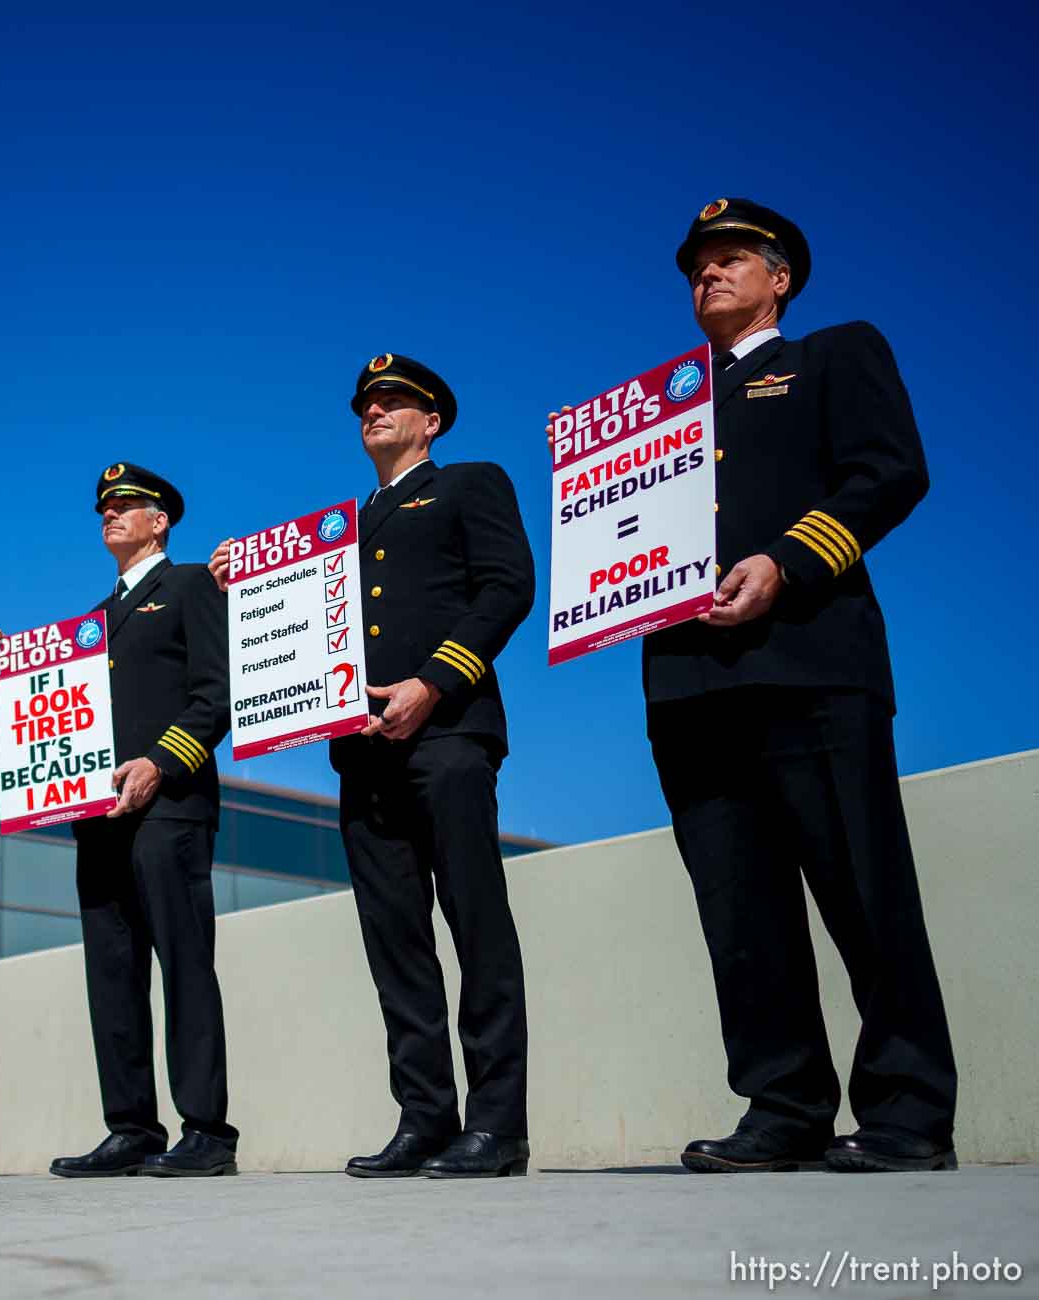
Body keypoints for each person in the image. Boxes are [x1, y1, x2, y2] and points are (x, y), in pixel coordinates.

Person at [573, 197, 956, 1174]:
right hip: (691, 684)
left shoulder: (832, 355)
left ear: (780, 275)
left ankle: (909, 1113)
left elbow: (890, 471)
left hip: (811, 663)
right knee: (740, 912)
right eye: (697, 263)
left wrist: (786, 561)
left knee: (864, 892)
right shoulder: (654, 416)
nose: (708, 272)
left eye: (732, 256)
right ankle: (783, 1105)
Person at [219, 353, 535, 1178]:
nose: (376, 410)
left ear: (433, 420)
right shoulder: (337, 534)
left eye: (395, 401)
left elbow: (508, 586)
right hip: (361, 755)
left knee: (476, 924)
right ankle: (425, 1119)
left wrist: (434, 681)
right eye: (367, 403)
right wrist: (242, 583)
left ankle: (497, 1126)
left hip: (449, 733)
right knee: (395, 942)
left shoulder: (471, 484)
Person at [43, 462, 236, 1178]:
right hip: (97, 819)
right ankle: (130, 1128)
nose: (111, 515)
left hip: (170, 805)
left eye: (127, 505)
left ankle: (208, 1131)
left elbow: (216, 693)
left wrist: (161, 763)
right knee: (113, 978)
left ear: (161, 520)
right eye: (105, 508)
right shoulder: (89, 623)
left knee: (185, 966)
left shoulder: (187, 586)